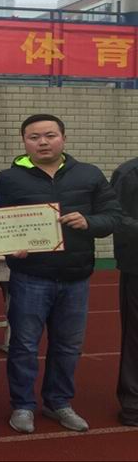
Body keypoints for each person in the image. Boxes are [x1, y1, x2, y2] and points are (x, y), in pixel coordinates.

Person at [0, 114, 121, 434]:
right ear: (24, 141)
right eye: (34, 137)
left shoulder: (89, 174)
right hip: (30, 277)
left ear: (63, 137)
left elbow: (114, 216)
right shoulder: (9, 178)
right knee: (24, 345)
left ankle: (58, 402)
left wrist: (90, 222)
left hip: (76, 277)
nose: (43, 142)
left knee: (68, 346)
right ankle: (23, 405)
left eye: (50, 135)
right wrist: (10, 247)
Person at [111, 157, 138, 427]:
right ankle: (133, 403)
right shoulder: (129, 172)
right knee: (135, 338)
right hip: (136, 267)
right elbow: (116, 217)